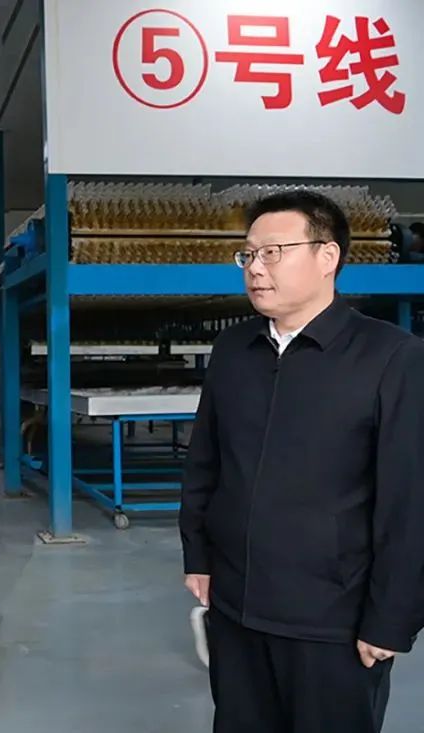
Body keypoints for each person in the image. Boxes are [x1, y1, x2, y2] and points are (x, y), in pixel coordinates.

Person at [179, 190, 424, 733]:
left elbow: (410, 502)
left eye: (273, 252)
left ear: (327, 256)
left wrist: (391, 619)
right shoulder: (233, 351)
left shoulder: (392, 357)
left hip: (333, 622)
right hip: (236, 608)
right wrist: (198, 555)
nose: (255, 268)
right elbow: (205, 461)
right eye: (248, 254)